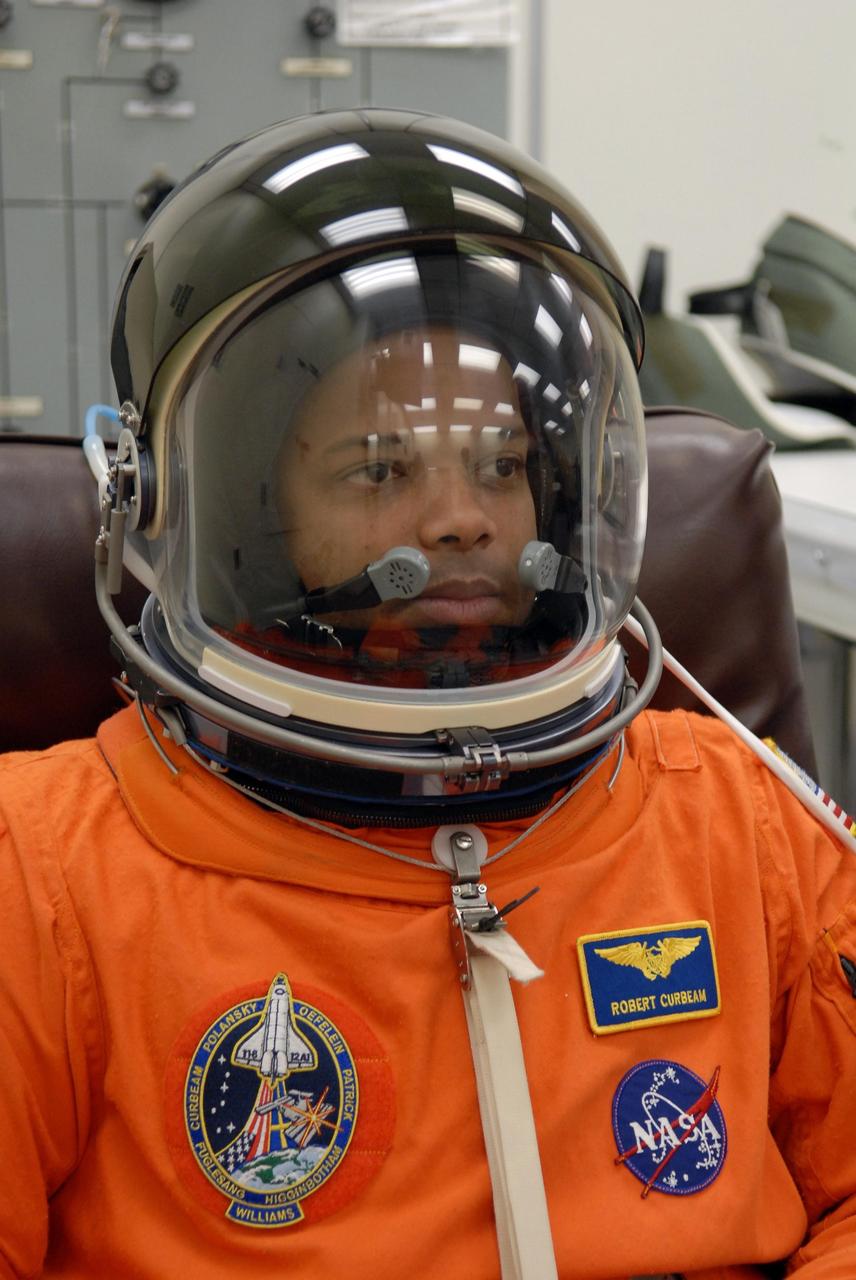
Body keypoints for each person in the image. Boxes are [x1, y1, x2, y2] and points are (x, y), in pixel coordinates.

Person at [1, 108, 855, 1280]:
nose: (462, 518)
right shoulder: (43, 876)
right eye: (379, 468)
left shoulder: (739, 822)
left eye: (501, 464)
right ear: (242, 506)